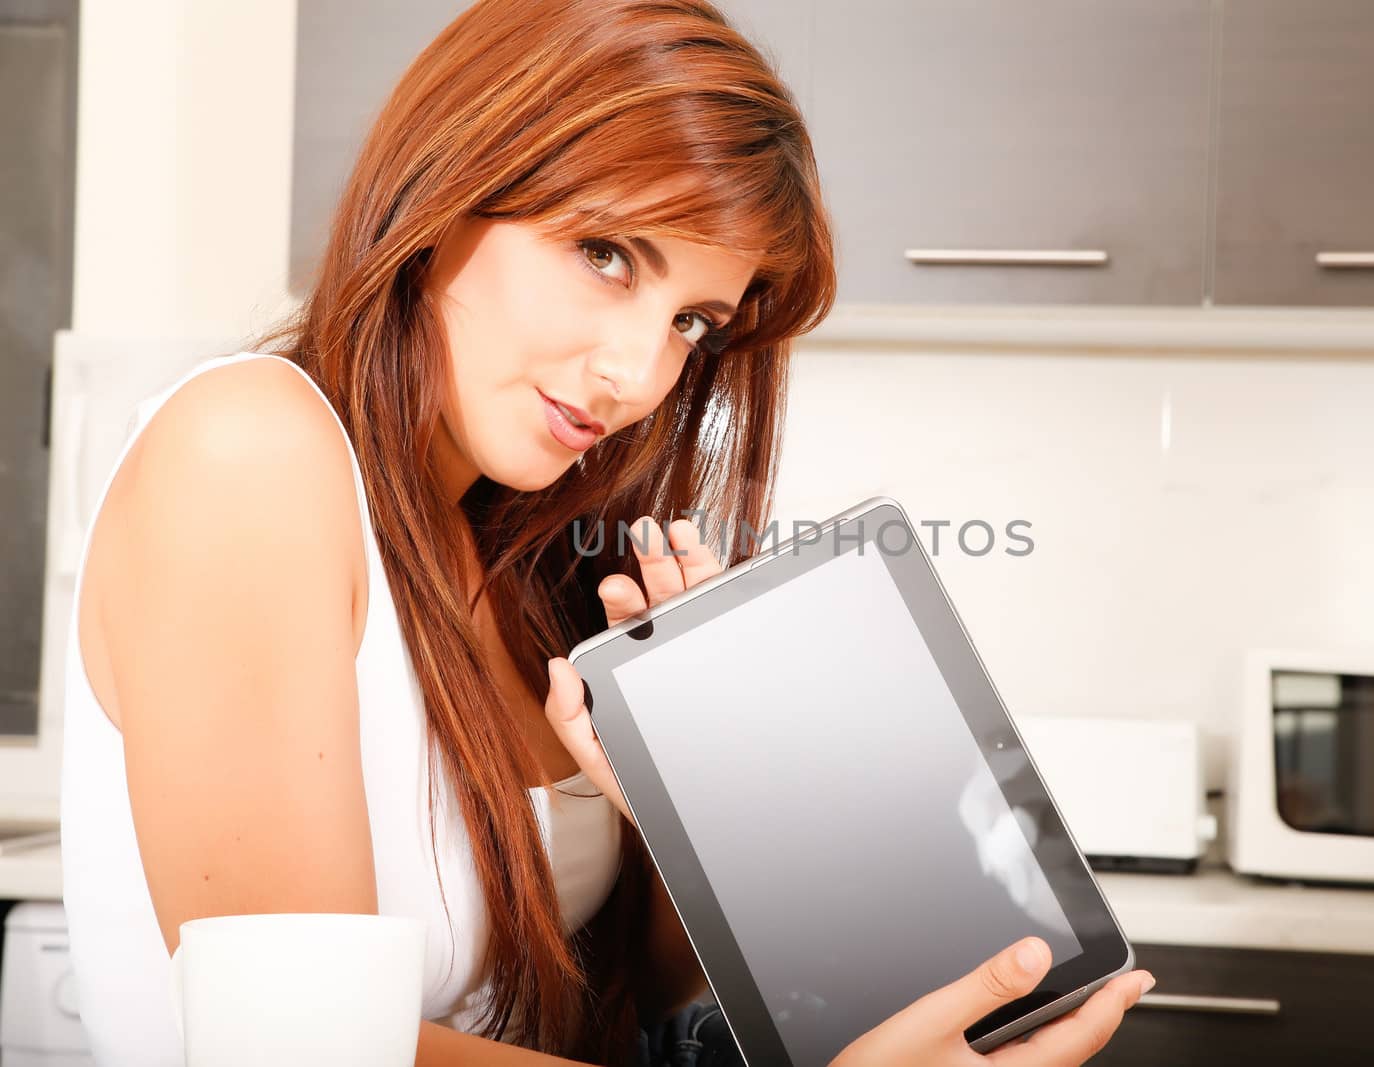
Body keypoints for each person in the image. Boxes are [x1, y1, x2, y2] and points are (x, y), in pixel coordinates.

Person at [57, 1, 1154, 1064]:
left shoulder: (515, 557)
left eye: (689, 322)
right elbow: (295, 1049)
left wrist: (707, 805)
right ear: (451, 182)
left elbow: (636, 991)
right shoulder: (249, 446)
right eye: (607, 253)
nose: (636, 375)